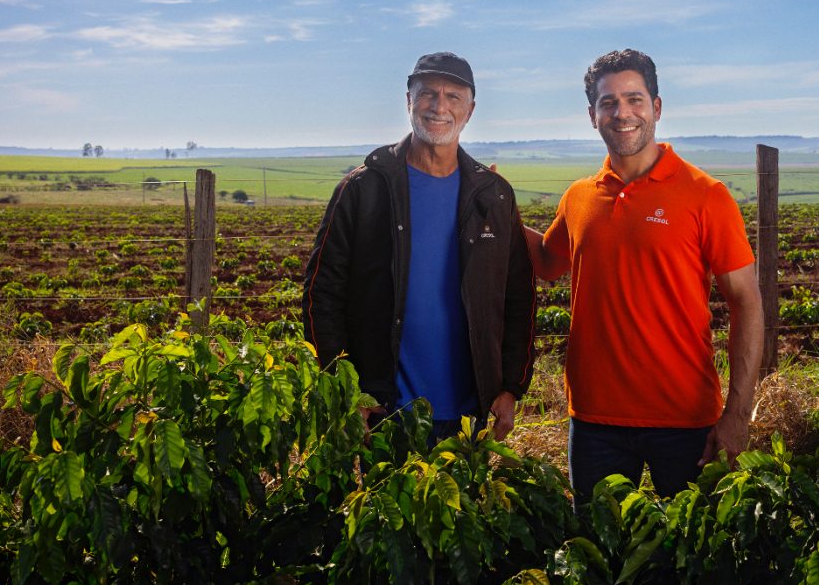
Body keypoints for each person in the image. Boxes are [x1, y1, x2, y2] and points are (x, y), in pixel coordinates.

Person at [525, 48, 763, 503]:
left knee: (694, 543)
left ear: (656, 107)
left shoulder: (706, 195)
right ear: (592, 116)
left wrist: (737, 414)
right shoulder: (579, 198)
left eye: (634, 99)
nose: (622, 113)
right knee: (597, 544)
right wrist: (494, 206)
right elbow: (547, 263)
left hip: (686, 419)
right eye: (608, 102)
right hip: (594, 420)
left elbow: (747, 302)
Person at [303, 52, 536, 446]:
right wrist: (344, 391)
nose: (439, 107)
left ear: (470, 110)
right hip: (382, 412)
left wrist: (512, 387)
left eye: (453, 96)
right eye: (428, 94)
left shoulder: (493, 195)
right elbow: (320, 294)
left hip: (469, 415)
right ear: (409, 101)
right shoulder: (364, 188)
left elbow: (518, 297)